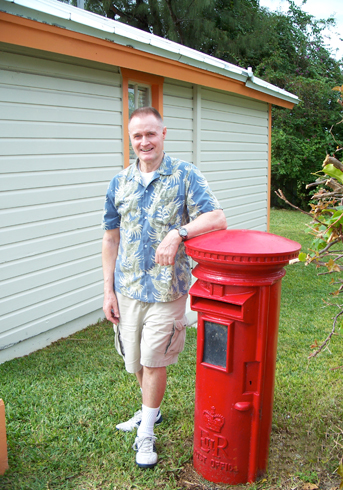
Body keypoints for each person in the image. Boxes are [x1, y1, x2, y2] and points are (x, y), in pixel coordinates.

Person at [102, 107, 227, 469]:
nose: (144, 141)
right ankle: (150, 411)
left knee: (154, 359)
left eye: (151, 134)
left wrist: (179, 232)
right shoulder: (119, 182)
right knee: (135, 361)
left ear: (163, 134)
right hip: (126, 288)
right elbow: (111, 239)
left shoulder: (185, 175)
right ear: (130, 138)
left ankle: (147, 434)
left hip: (167, 289)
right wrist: (107, 290)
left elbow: (217, 217)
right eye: (137, 135)